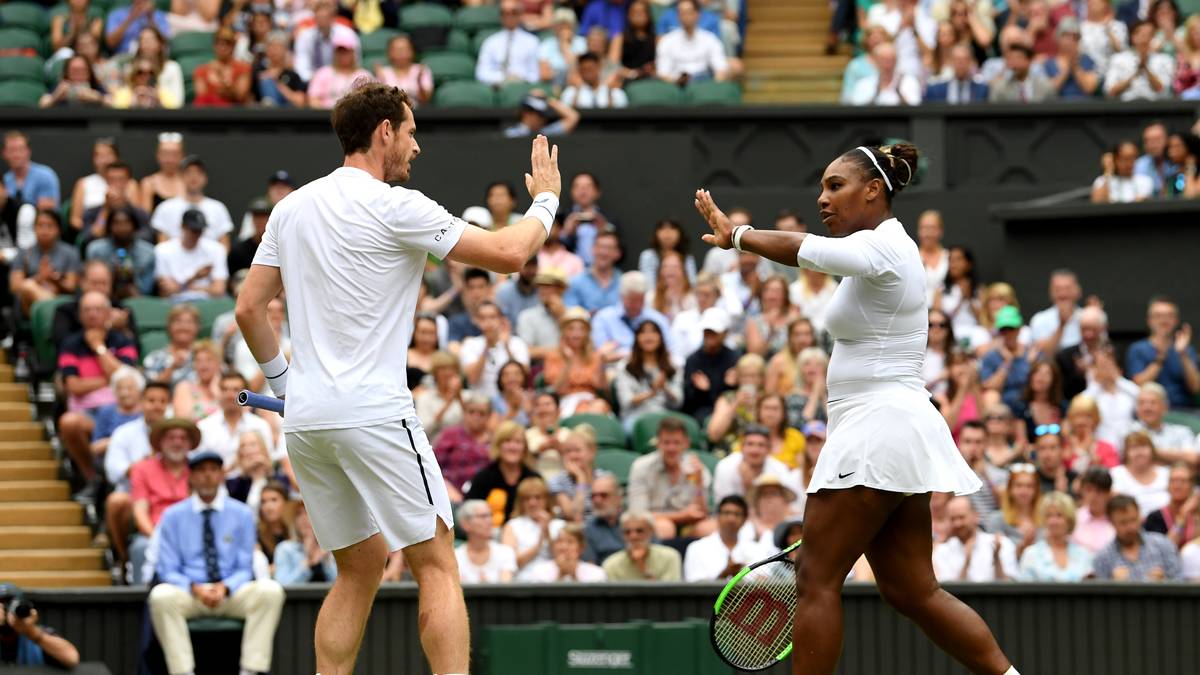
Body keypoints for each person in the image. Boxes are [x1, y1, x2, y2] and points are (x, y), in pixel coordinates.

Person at [234, 82, 563, 675]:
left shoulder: (290, 208)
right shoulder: (398, 206)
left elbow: (248, 309)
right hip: (376, 413)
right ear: (384, 131)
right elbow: (511, 254)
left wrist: (284, 384)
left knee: (359, 566)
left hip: (308, 422)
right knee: (436, 562)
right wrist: (544, 201)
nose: (417, 146)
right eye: (410, 132)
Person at [694, 143, 1015, 674]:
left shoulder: (887, 246)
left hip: (876, 430)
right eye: (821, 187)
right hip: (894, 431)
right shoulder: (883, 248)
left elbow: (808, 250)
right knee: (913, 591)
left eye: (835, 186)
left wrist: (738, 237)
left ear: (874, 190)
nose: (823, 198)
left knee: (815, 578)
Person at [148, 450, 286, 675]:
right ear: (190, 476)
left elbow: (244, 566)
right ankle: (182, 672)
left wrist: (226, 587)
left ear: (222, 474)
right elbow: (167, 568)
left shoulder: (241, 514)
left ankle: (251, 671)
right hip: (191, 594)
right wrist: (195, 587)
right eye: (201, 470)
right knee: (161, 596)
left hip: (230, 593)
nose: (208, 476)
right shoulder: (173, 516)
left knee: (271, 591)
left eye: (213, 470)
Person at [628, 417, 715, 539]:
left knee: (709, 528)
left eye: (676, 442)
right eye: (666, 443)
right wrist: (681, 516)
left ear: (686, 443)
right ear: (658, 443)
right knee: (665, 527)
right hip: (655, 523)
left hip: (690, 526)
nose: (671, 448)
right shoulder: (641, 467)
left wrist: (699, 482)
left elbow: (701, 513)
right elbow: (637, 515)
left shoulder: (697, 469)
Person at [1125, 297, 1199, 410]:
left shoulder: (1186, 350)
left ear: (1176, 320)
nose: (1164, 321)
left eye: (1169, 316)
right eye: (1158, 316)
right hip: (1149, 412)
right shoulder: (1137, 349)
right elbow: (1137, 386)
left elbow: (1196, 387)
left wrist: (1183, 355)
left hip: (1184, 410)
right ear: (1149, 321)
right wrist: (1160, 356)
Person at [464, 421, 540, 526]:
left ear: (525, 448)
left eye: (518, 442)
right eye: (507, 441)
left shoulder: (533, 478)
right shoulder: (484, 478)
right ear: (498, 445)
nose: (513, 447)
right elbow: (468, 513)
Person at [1092, 494, 1182, 580]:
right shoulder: (1103, 557)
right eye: (1123, 523)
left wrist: (1163, 583)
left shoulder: (1163, 545)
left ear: (1140, 516)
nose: (1130, 527)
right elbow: (1098, 594)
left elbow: (1180, 584)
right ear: (1111, 522)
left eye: (1133, 520)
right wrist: (1114, 585)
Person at [150, 155, 235, 246]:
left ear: (205, 178)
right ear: (181, 177)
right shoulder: (165, 208)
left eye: (198, 173)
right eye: (188, 173)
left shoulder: (218, 208)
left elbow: (224, 247)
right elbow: (162, 247)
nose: (193, 177)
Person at [198, 372, 275, 469]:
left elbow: (269, 462)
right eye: (225, 389)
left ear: (246, 394)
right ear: (219, 393)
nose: (230, 395)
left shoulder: (260, 425)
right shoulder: (204, 427)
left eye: (236, 390)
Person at [933, 496, 1020, 582]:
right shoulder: (942, 551)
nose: (957, 523)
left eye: (961, 517)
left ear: (976, 516)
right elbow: (948, 591)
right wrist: (966, 563)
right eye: (952, 519)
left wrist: (997, 559)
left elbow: (1010, 588)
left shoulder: (1002, 543)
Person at [154, 209, 229, 301]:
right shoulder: (163, 250)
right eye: (194, 230)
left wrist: (183, 287)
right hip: (175, 305)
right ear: (183, 226)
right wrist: (194, 277)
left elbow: (218, 291)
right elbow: (167, 291)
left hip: (207, 303)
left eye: (200, 230)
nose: (197, 234)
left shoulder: (217, 249)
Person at [433, 393, 495, 503]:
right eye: (471, 412)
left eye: (481, 413)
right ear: (464, 413)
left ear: (489, 416)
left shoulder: (495, 440)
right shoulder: (450, 435)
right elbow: (433, 466)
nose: (476, 417)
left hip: (485, 497)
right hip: (452, 495)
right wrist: (446, 487)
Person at [683, 495, 764, 581]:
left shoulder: (757, 549)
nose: (731, 519)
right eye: (726, 513)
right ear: (717, 516)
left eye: (737, 514)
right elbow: (695, 588)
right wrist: (724, 574)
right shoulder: (696, 548)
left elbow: (764, 582)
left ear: (744, 520)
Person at [1017, 492, 1093, 581]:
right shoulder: (1031, 554)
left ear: (1069, 519)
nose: (1053, 521)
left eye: (1059, 515)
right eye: (1048, 516)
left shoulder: (1084, 554)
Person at [0, 584, 80, 668]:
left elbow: (71, 659)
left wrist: (30, 631)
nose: (6, 610)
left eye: (10, 604)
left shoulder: (37, 634)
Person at [681, 308, 739, 419]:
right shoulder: (693, 360)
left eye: (714, 332)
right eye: (706, 331)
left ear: (725, 333)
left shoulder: (734, 358)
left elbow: (736, 395)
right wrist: (702, 391)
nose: (709, 335)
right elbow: (688, 401)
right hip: (699, 413)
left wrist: (730, 386)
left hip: (729, 410)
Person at [656, 0, 730, 83]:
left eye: (689, 12)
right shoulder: (667, 41)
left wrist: (714, 87)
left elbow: (721, 68)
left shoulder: (710, 39)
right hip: (675, 85)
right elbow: (662, 73)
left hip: (704, 85)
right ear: (678, 16)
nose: (686, 16)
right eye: (682, 13)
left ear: (698, 14)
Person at [602, 510, 683, 581]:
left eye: (639, 531)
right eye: (627, 532)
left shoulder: (670, 557)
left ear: (651, 531)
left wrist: (642, 567)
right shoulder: (611, 564)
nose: (633, 537)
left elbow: (670, 595)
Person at [1129, 383, 1198, 465]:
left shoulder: (1182, 432)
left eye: (1153, 403)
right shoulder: (1128, 431)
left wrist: (1151, 452)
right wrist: (1175, 456)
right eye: (1142, 403)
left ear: (1165, 408)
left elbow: (1192, 458)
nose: (1147, 408)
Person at [476, 0, 541, 85]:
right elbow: (481, 73)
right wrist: (504, 78)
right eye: (504, 13)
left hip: (522, 87)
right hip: (496, 87)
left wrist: (519, 78)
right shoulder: (490, 42)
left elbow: (536, 75)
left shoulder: (532, 42)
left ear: (520, 14)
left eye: (514, 12)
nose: (509, 16)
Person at [454, 500, 518, 583]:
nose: (490, 521)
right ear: (465, 524)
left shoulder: (505, 552)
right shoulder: (455, 557)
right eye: (483, 516)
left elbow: (505, 588)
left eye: (490, 516)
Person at [1111, 431, 1171, 518]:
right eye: (1134, 448)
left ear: (1152, 450)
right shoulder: (1115, 474)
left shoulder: (1166, 473)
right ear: (1126, 452)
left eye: (1143, 447)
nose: (1139, 452)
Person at [307, 31, 372, 109]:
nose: (343, 55)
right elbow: (313, 99)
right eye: (340, 51)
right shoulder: (323, 73)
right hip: (325, 117)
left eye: (346, 51)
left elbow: (371, 101)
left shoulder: (364, 75)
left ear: (353, 53)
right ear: (335, 53)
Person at [1143, 463, 1200, 548]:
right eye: (1173, 481)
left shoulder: (1197, 515)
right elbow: (1165, 551)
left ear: (1191, 486)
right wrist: (1182, 517)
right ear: (1168, 485)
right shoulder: (1155, 518)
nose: (1177, 486)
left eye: (1183, 481)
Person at [523, 524, 607, 582]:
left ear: (581, 548)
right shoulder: (539, 572)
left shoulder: (596, 573)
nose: (564, 547)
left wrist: (573, 574)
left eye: (570, 542)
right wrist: (560, 574)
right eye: (559, 542)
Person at [415, 352, 465, 440]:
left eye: (452, 368)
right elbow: (423, 431)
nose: (448, 372)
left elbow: (474, 425)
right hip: (435, 448)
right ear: (434, 373)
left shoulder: (467, 397)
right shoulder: (424, 398)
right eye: (443, 368)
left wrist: (459, 397)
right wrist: (447, 404)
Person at [375, 35, 432, 108]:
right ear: (389, 52)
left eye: (405, 49)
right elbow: (380, 101)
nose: (401, 53)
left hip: (418, 112)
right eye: (397, 50)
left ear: (412, 51)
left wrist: (419, 81)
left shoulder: (421, 69)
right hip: (391, 112)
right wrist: (380, 83)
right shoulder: (383, 72)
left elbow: (426, 100)